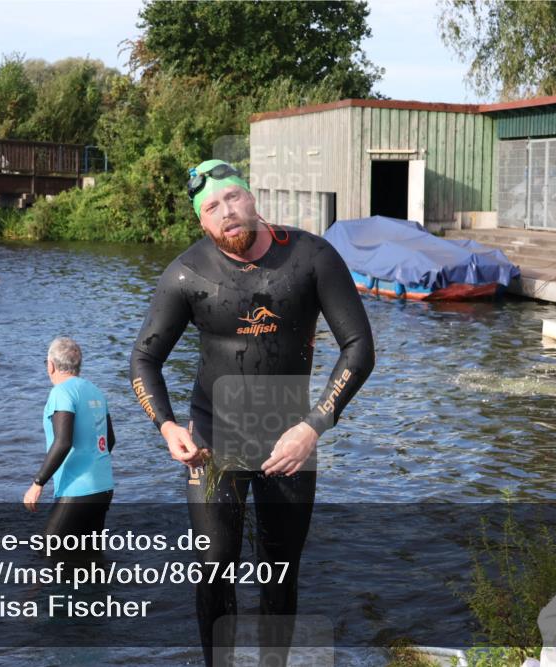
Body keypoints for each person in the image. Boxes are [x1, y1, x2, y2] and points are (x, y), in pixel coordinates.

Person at [129, 159, 375, 666]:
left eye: (233, 197)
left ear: (253, 197)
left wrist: (315, 426)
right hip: (211, 447)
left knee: (279, 571)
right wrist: (167, 425)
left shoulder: (311, 257)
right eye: (213, 207)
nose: (227, 212)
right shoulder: (186, 274)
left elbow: (359, 349)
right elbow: (143, 359)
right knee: (214, 567)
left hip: (290, 443)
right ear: (203, 221)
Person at [24, 337, 115, 559]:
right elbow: (110, 439)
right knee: (89, 559)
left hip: (77, 490)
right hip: (103, 487)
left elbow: (63, 441)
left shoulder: (61, 393)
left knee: (45, 555)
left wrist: (38, 483)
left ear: (50, 365)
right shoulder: (95, 391)